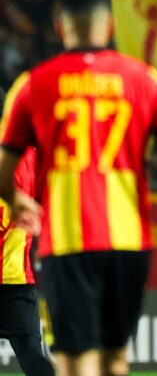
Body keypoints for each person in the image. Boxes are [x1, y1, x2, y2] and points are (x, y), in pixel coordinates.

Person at [0, 0, 157, 376]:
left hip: (69, 241)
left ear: (59, 27)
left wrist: (17, 198)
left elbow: (5, 168)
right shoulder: (144, 79)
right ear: (110, 25)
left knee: (76, 362)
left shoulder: (33, 86)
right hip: (127, 240)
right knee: (115, 360)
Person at [0, 148, 54, 376]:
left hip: (16, 282)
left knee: (33, 357)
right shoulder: (28, 157)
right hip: (17, 281)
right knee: (32, 356)